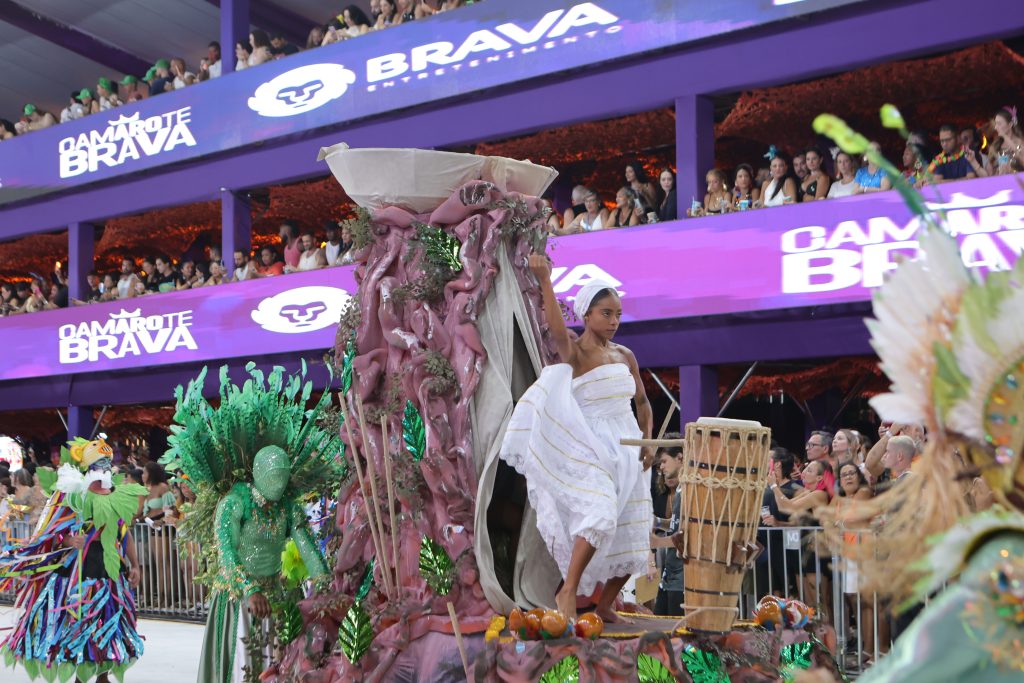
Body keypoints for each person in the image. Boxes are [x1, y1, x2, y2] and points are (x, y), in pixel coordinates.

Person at [500, 257, 655, 622]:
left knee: (635, 528)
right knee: (599, 516)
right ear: (586, 315)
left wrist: (647, 440)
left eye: (618, 314)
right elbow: (556, 332)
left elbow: (643, 403)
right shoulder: (576, 352)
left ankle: (605, 605)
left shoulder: (625, 355)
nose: (614, 321)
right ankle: (568, 589)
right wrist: (545, 281)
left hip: (628, 448)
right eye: (606, 313)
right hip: (591, 446)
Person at [163, 365, 339, 683]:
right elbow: (227, 552)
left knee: (279, 665)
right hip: (238, 600)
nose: (277, 493)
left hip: (276, 595)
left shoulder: (287, 506)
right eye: (272, 482)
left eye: (282, 483)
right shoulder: (235, 501)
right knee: (242, 668)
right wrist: (250, 589)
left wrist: (327, 585)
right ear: (258, 476)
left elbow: (309, 548)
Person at [0, 438, 147, 683]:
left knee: (109, 620)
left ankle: (102, 675)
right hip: (79, 569)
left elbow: (125, 532)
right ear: (89, 468)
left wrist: (135, 564)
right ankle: (80, 673)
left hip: (110, 569)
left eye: (108, 464)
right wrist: (68, 540)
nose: (104, 469)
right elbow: (49, 531)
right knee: (78, 620)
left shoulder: (116, 496)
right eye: (99, 464)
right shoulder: (72, 495)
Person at [651, 436, 684, 616]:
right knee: (660, 628)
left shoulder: (690, 490)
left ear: (679, 458)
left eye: (664, 461)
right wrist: (657, 522)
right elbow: (676, 526)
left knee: (677, 639)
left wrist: (655, 542)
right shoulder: (680, 490)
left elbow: (687, 538)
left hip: (683, 578)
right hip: (670, 574)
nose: (661, 467)